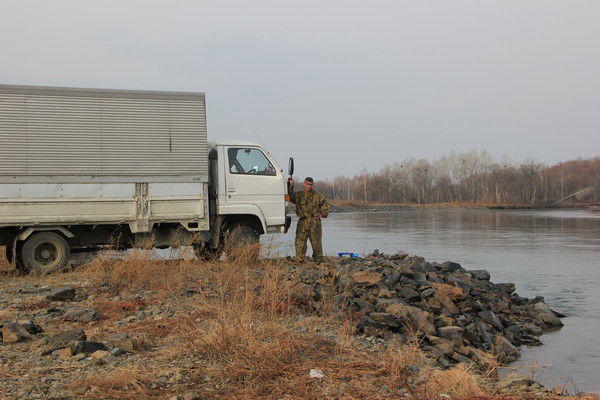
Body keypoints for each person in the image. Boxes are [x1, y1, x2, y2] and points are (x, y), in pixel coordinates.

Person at [289, 177, 329, 263]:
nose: (309, 186)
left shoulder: (317, 196)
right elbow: (290, 197)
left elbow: (325, 204)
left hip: (314, 222)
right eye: (307, 184)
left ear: (312, 185)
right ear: (304, 184)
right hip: (302, 221)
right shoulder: (298, 195)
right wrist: (291, 185)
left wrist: (323, 214)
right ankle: (300, 259)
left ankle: (318, 260)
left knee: (316, 242)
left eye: (310, 184)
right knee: (300, 241)